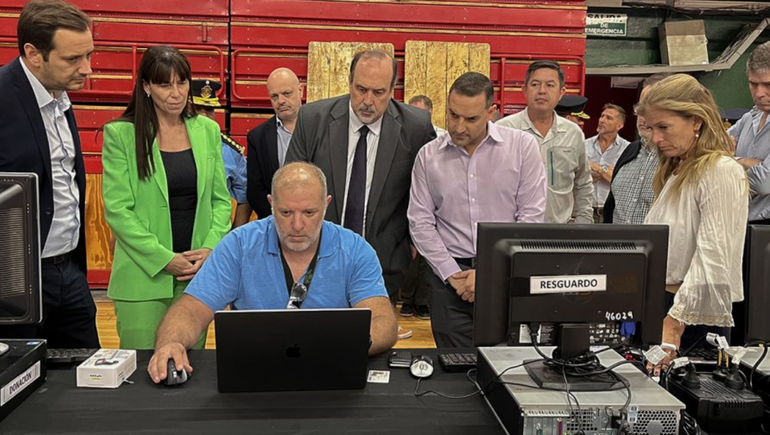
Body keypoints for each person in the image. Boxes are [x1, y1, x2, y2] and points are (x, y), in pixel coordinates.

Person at [147, 162, 398, 382]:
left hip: (332, 372)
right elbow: (191, 309)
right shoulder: (239, 245)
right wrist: (171, 343)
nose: (297, 225)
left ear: (326, 204)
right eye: (285, 212)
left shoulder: (355, 250)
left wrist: (349, 344)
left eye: (309, 213)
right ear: (271, 204)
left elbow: (383, 321)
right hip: (250, 374)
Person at [285, 49, 436, 340]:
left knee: (373, 343)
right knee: (317, 341)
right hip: (317, 256)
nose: (368, 101)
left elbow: (427, 192)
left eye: (379, 92)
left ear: (393, 89)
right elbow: (290, 184)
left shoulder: (416, 127)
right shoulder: (313, 119)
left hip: (384, 261)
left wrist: (414, 238)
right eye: (361, 89)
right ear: (349, 82)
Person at [102, 46, 232, 349]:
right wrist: (164, 259)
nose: (176, 93)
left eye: (182, 82)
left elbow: (220, 200)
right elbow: (119, 211)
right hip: (142, 278)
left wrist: (210, 248)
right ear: (146, 87)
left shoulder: (208, 130)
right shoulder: (121, 134)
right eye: (164, 84)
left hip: (195, 277)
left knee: (189, 367)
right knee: (142, 368)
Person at [408, 73, 547, 348]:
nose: (459, 127)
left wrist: (488, 273)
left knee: (507, 361)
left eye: (471, 119)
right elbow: (420, 222)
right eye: (453, 115)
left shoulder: (522, 148)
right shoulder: (428, 156)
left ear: (490, 112)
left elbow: (530, 217)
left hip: (506, 277)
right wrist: (451, 274)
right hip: (448, 281)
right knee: (453, 365)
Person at [0, 0, 99, 348]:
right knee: (18, 373)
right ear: (33, 53)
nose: (87, 69)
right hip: (13, 279)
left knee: (88, 368)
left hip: (68, 269)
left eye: (89, 55)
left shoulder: (60, 96)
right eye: (73, 59)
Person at [638, 74, 748, 354]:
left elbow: (714, 256)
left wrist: (675, 323)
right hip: (666, 307)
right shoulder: (676, 169)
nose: (656, 138)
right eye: (651, 128)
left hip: (691, 317)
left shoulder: (720, 171)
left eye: (664, 127)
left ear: (696, 121)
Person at [496, 60, 593, 224]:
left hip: (559, 231)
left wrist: (583, 222)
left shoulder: (573, 133)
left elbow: (583, 182)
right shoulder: (503, 130)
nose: (542, 91)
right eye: (535, 84)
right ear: (524, 90)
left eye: (550, 85)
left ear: (561, 92)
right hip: (514, 230)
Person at [604, 74, 670, 224]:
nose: (642, 115)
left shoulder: (678, 160)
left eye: (651, 108)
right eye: (640, 107)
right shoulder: (630, 151)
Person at [191, 79, 252, 228]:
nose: (204, 116)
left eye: (209, 110)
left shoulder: (231, 151)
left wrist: (235, 235)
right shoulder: (171, 144)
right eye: (197, 109)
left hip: (218, 229)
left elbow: (244, 196)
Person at [247, 67, 303, 219]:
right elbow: (255, 190)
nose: (281, 101)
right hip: (274, 221)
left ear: (300, 91)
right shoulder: (257, 137)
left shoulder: (321, 128)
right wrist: (279, 219)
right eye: (274, 96)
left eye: (287, 93)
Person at [730, 41, 770, 225]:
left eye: (768, 85)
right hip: (740, 223)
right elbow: (709, 150)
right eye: (753, 84)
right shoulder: (750, 117)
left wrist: (729, 162)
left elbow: (764, 183)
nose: (759, 93)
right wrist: (745, 162)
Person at [584, 104, 630, 222]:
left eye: (608, 118)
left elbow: (623, 182)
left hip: (612, 212)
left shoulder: (627, 149)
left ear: (619, 125)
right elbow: (580, 178)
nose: (602, 120)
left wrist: (597, 168)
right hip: (586, 210)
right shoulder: (584, 145)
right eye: (602, 116)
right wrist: (609, 172)